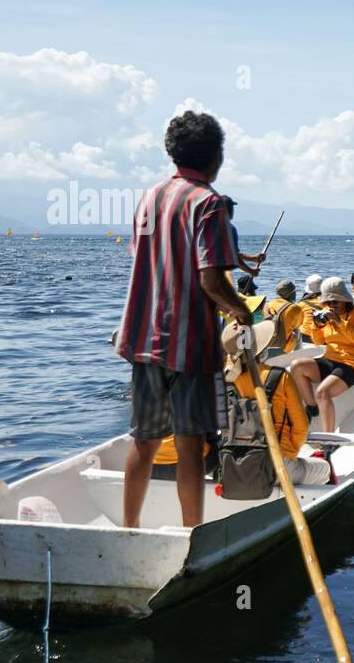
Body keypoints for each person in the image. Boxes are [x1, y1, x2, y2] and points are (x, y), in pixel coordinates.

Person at [116, 110, 251, 529]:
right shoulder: (208, 203)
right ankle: (192, 533)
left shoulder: (150, 196)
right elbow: (211, 279)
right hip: (188, 342)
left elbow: (146, 257)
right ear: (217, 157)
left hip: (142, 336)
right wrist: (239, 309)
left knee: (144, 440)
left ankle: (130, 528)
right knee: (191, 445)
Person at [223, 322, 333, 485]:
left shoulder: (223, 381)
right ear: (259, 349)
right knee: (325, 469)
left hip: (233, 465)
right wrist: (289, 453)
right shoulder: (279, 377)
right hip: (276, 466)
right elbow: (301, 427)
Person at [289, 277, 354, 434]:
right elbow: (318, 341)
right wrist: (316, 324)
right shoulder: (326, 315)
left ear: (345, 301)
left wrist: (339, 323)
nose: (332, 306)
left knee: (322, 392)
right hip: (330, 359)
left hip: (350, 364)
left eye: (336, 302)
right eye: (329, 302)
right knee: (296, 365)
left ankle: (328, 439)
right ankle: (312, 408)